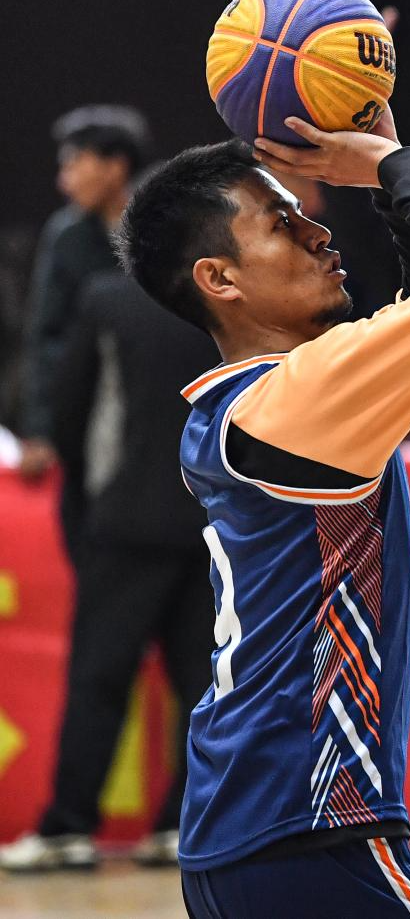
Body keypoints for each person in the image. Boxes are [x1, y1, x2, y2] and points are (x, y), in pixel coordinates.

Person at [112, 109, 410, 918]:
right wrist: (390, 162)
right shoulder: (298, 403)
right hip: (311, 827)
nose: (318, 232)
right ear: (220, 279)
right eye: (282, 223)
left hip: (243, 834)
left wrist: (388, 180)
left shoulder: (244, 407)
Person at [0, 269, 217, 871]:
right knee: (203, 685)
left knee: (99, 680)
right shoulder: (224, 304)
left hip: (125, 523)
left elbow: (70, 412)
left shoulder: (107, 300)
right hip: (210, 520)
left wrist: (86, 512)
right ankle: (184, 824)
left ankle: (69, 827)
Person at [19, 105, 151, 560]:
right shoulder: (67, 236)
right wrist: (40, 429)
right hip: (85, 411)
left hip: (152, 408)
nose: (64, 180)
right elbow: (46, 337)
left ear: (116, 167)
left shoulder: (163, 228)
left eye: (75, 163)